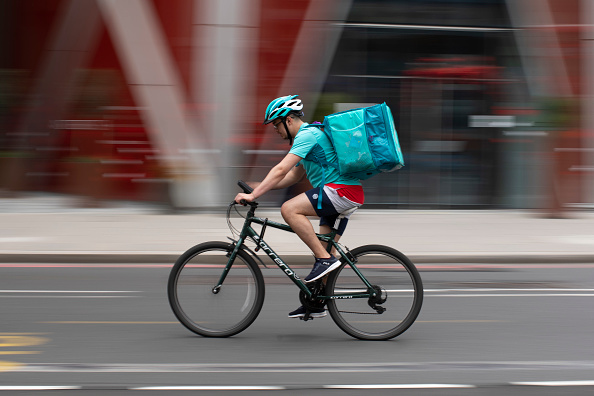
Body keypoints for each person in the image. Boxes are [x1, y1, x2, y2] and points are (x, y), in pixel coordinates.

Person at [234, 95, 364, 319]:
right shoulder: (308, 137)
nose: (275, 129)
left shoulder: (307, 135)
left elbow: (281, 169)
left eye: (276, 124)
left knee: (289, 209)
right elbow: (293, 176)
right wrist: (258, 187)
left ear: (289, 120)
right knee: (324, 251)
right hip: (341, 195)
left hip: (340, 192)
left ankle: (325, 260)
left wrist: (255, 194)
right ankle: (317, 303)